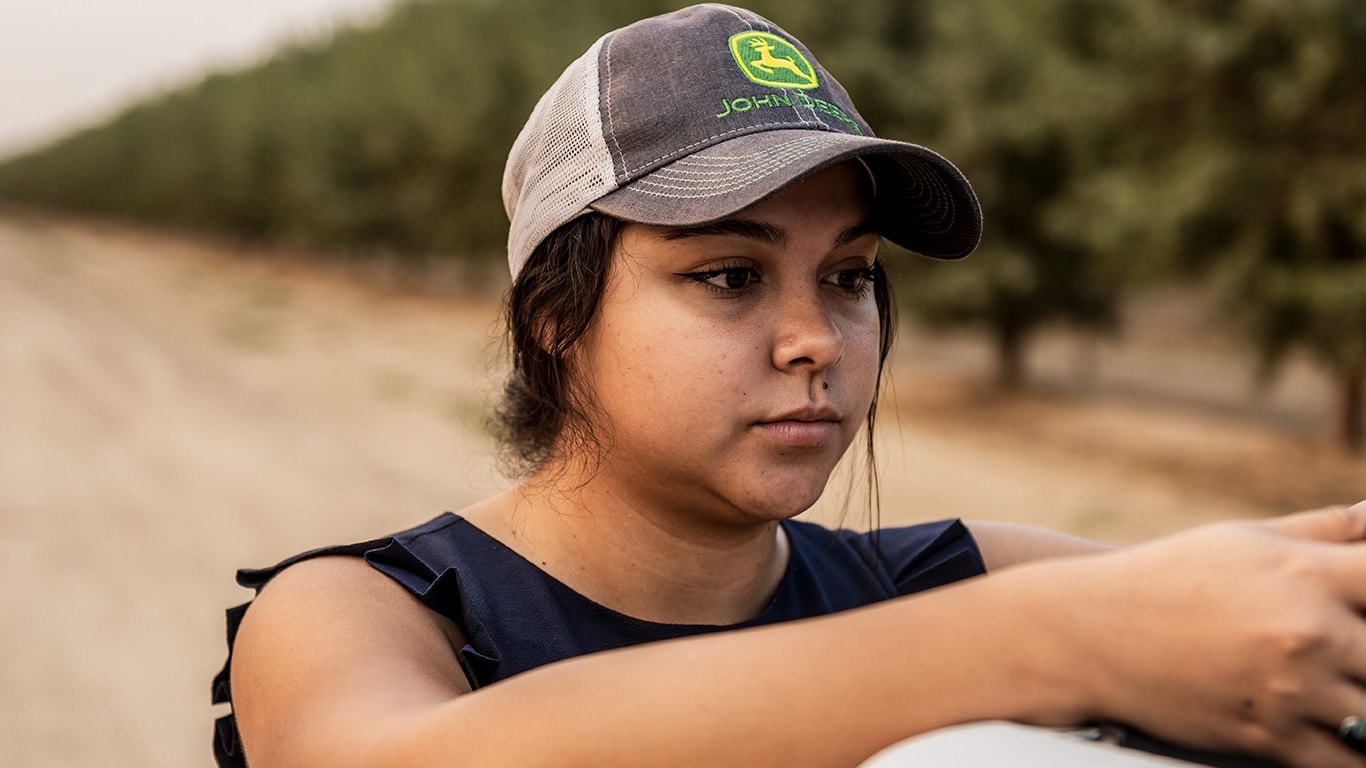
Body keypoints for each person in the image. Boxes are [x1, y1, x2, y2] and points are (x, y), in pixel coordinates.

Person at [213, 5, 1366, 768]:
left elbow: (1259, 618)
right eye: (728, 275)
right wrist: (1050, 644)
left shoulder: (935, 582)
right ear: (555, 315)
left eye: (851, 276)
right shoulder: (373, 615)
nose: (816, 337)